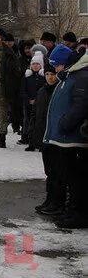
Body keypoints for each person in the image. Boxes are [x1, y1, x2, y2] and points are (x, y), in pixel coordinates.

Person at [44, 50, 88, 229]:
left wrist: (64, 124)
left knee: (77, 180)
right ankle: (70, 210)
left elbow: (81, 105)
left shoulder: (81, 77)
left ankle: (79, 214)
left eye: (57, 64)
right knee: (69, 177)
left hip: (73, 138)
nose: (55, 68)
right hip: (63, 138)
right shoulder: (69, 75)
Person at [33, 64, 63, 215]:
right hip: (43, 134)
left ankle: (56, 201)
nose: (50, 77)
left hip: (55, 137)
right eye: (47, 74)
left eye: (53, 74)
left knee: (56, 171)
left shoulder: (60, 90)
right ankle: (49, 199)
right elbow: (36, 113)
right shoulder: (42, 91)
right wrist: (33, 134)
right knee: (48, 170)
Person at [21, 51, 46, 151]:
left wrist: (38, 101)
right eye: (33, 64)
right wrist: (28, 100)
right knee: (29, 123)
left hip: (40, 105)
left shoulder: (43, 78)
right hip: (29, 104)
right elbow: (23, 90)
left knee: (40, 124)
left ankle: (40, 143)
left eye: (37, 64)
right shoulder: (27, 77)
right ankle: (30, 142)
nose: (35, 66)